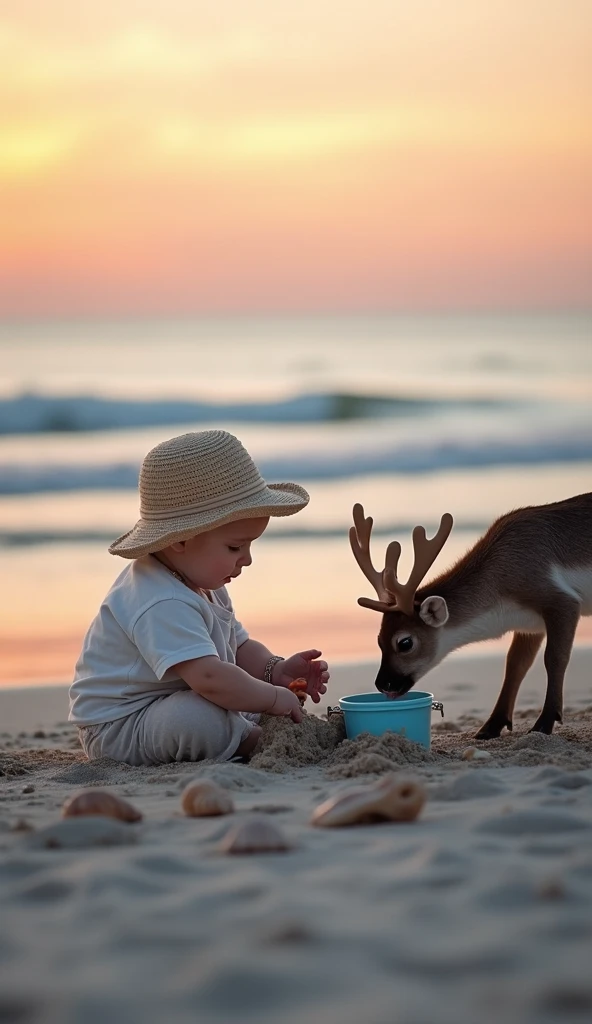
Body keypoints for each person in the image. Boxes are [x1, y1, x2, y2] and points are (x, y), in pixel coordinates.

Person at [69, 429, 329, 766]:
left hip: (171, 701)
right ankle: (248, 739)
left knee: (235, 695)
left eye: (250, 545)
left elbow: (237, 646)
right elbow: (207, 676)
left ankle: (239, 728)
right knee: (197, 717)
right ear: (181, 539)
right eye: (235, 547)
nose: (247, 559)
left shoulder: (204, 581)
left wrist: (273, 670)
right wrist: (272, 698)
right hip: (120, 726)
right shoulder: (160, 599)